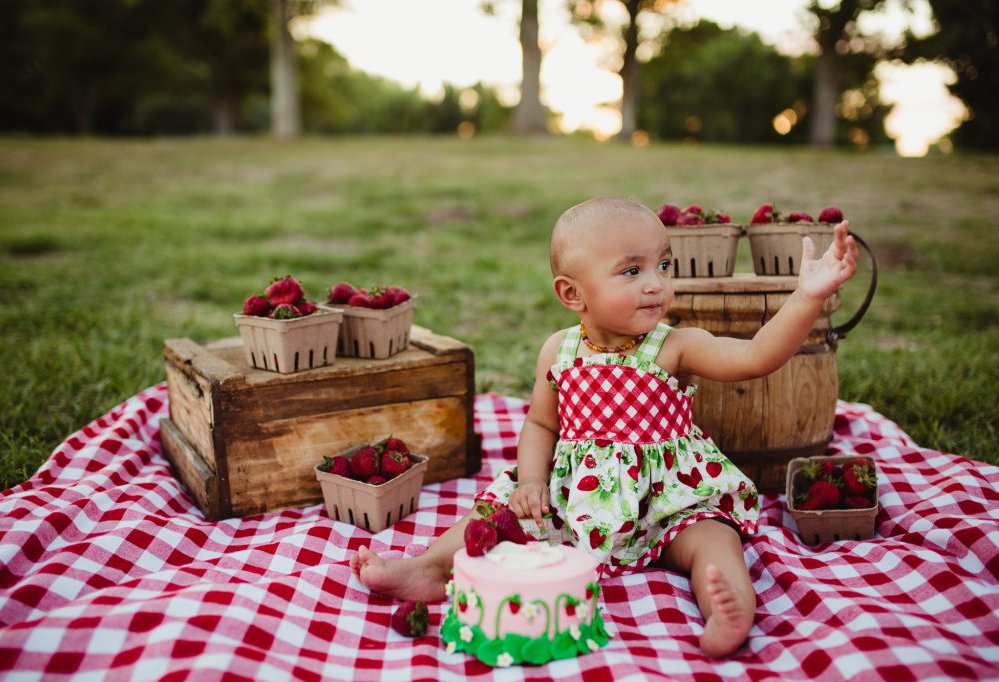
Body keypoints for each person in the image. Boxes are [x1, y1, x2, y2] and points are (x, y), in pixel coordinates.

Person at [351, 196, 858, 657]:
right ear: (572, 293)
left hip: (667, 499)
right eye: (632, 271)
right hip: (577, 500)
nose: (656, 283)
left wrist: (806, 298)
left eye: (663, 264)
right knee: (496, 517)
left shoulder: (674, 345)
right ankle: (431, 567)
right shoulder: (560, 351)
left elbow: (754, 357)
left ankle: (728, 600)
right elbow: (540, 423)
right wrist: (531, 481)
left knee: (713, 537)